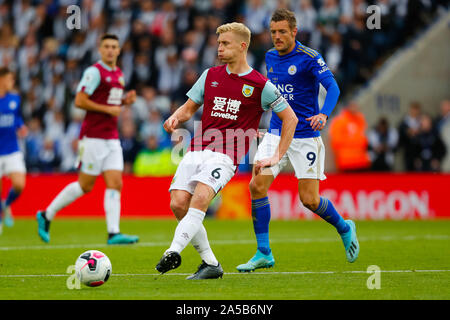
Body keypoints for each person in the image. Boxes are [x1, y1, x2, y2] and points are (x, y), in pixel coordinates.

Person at [155, 22, 298, 280]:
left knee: (200, 198)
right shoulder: (210, 75)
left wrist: (277, 154)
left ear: (242, 46)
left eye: (225, 43)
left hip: (226, 154)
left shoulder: (260, 85)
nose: (219, 48)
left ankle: (173, 251)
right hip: (197, 148)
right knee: (178, 204)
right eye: (218, 43)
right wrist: (175, 118)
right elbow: (188, 108)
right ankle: (211, 264)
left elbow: (291, 119)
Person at [236, 9, 360, 273]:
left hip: (305, 136)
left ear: (294, 31)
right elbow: (270, 95)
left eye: (282, 31)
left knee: (310, 200)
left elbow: (333, 87)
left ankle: (344, 227)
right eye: (273, 32)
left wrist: (324, 114)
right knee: (257, 186)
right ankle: (263, 252)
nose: (277, 37)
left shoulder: (310, 57)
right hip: (276, 132)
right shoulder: (269, 57)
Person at [36, 34, 139, 245]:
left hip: (111, 137)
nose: (110, 50)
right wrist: (109, 108)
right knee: (85, 185)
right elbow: (80, 100)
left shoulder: (118, 73)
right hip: (93, 136)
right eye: (107, 47)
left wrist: (124, 100)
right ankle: (47, 214)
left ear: (119, 51)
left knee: (115, 183)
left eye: (114, 47)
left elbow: (110, 102)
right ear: (100, 50)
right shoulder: (94, 72)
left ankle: (113, 233)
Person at [0, 67, 28, 234]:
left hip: (12, 149)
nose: (12, 82)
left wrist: (20, 126)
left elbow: (16, 117)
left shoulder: (15, 99)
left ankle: (6, 204)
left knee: (19, 184)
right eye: (10, 78)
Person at [329, 101, 371, 172]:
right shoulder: (340, 121)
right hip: (346, 161)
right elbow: (336, 141)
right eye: (352, 106)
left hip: (361, 161)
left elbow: (364, 138)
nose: (355, 109)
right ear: (348, 107)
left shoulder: (360, 120)